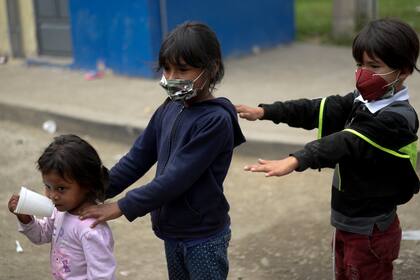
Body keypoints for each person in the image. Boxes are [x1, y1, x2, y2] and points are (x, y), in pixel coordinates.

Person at [236, 18, 420, 279]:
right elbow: (315, 108)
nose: (362, 73)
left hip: (372, 231)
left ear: (403, 71)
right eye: (360, 65)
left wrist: (296, 160)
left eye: (374, 66)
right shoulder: (362, 100)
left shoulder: (398, 118)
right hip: (346, 223)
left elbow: (347, 141)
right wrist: (265, 111)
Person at [79, 21, 245, 280]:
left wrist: (122, 206)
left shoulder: (216, 121)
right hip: (173, 230)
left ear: (210, 70)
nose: (171, 77)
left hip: (202, 236)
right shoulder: (169, 107)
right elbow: (137, 158)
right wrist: (93, 192)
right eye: (167, 68)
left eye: (182, 69)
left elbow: (176, 179)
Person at [8, 134, 116, 280]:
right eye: (48, 186)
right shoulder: (60, 210)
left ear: (87, 184)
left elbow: (102, 276)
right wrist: (25, 218)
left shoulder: (91, 228)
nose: (52, 195)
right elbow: (41, 235)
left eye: (61, 188)